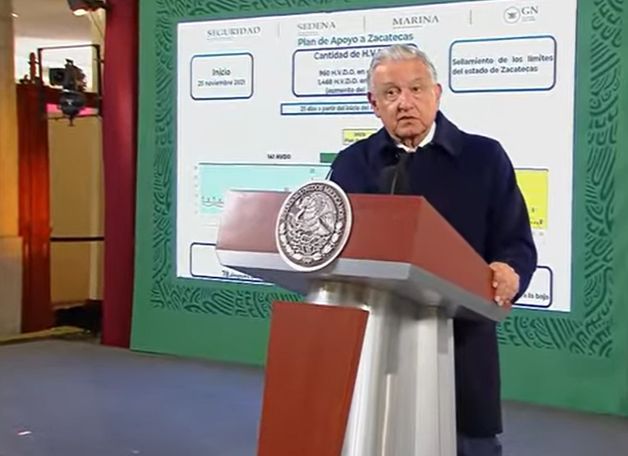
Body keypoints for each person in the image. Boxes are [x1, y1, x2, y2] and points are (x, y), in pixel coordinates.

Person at [329, 44, 537, 456]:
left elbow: (515, 242)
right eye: (390, 93)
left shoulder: (483, 158)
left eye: (416, 89)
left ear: (437, 93)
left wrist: (510, 270)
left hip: (461, 348)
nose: (404, 102)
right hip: (375, 348)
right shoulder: (352, 164)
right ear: (373, 104)